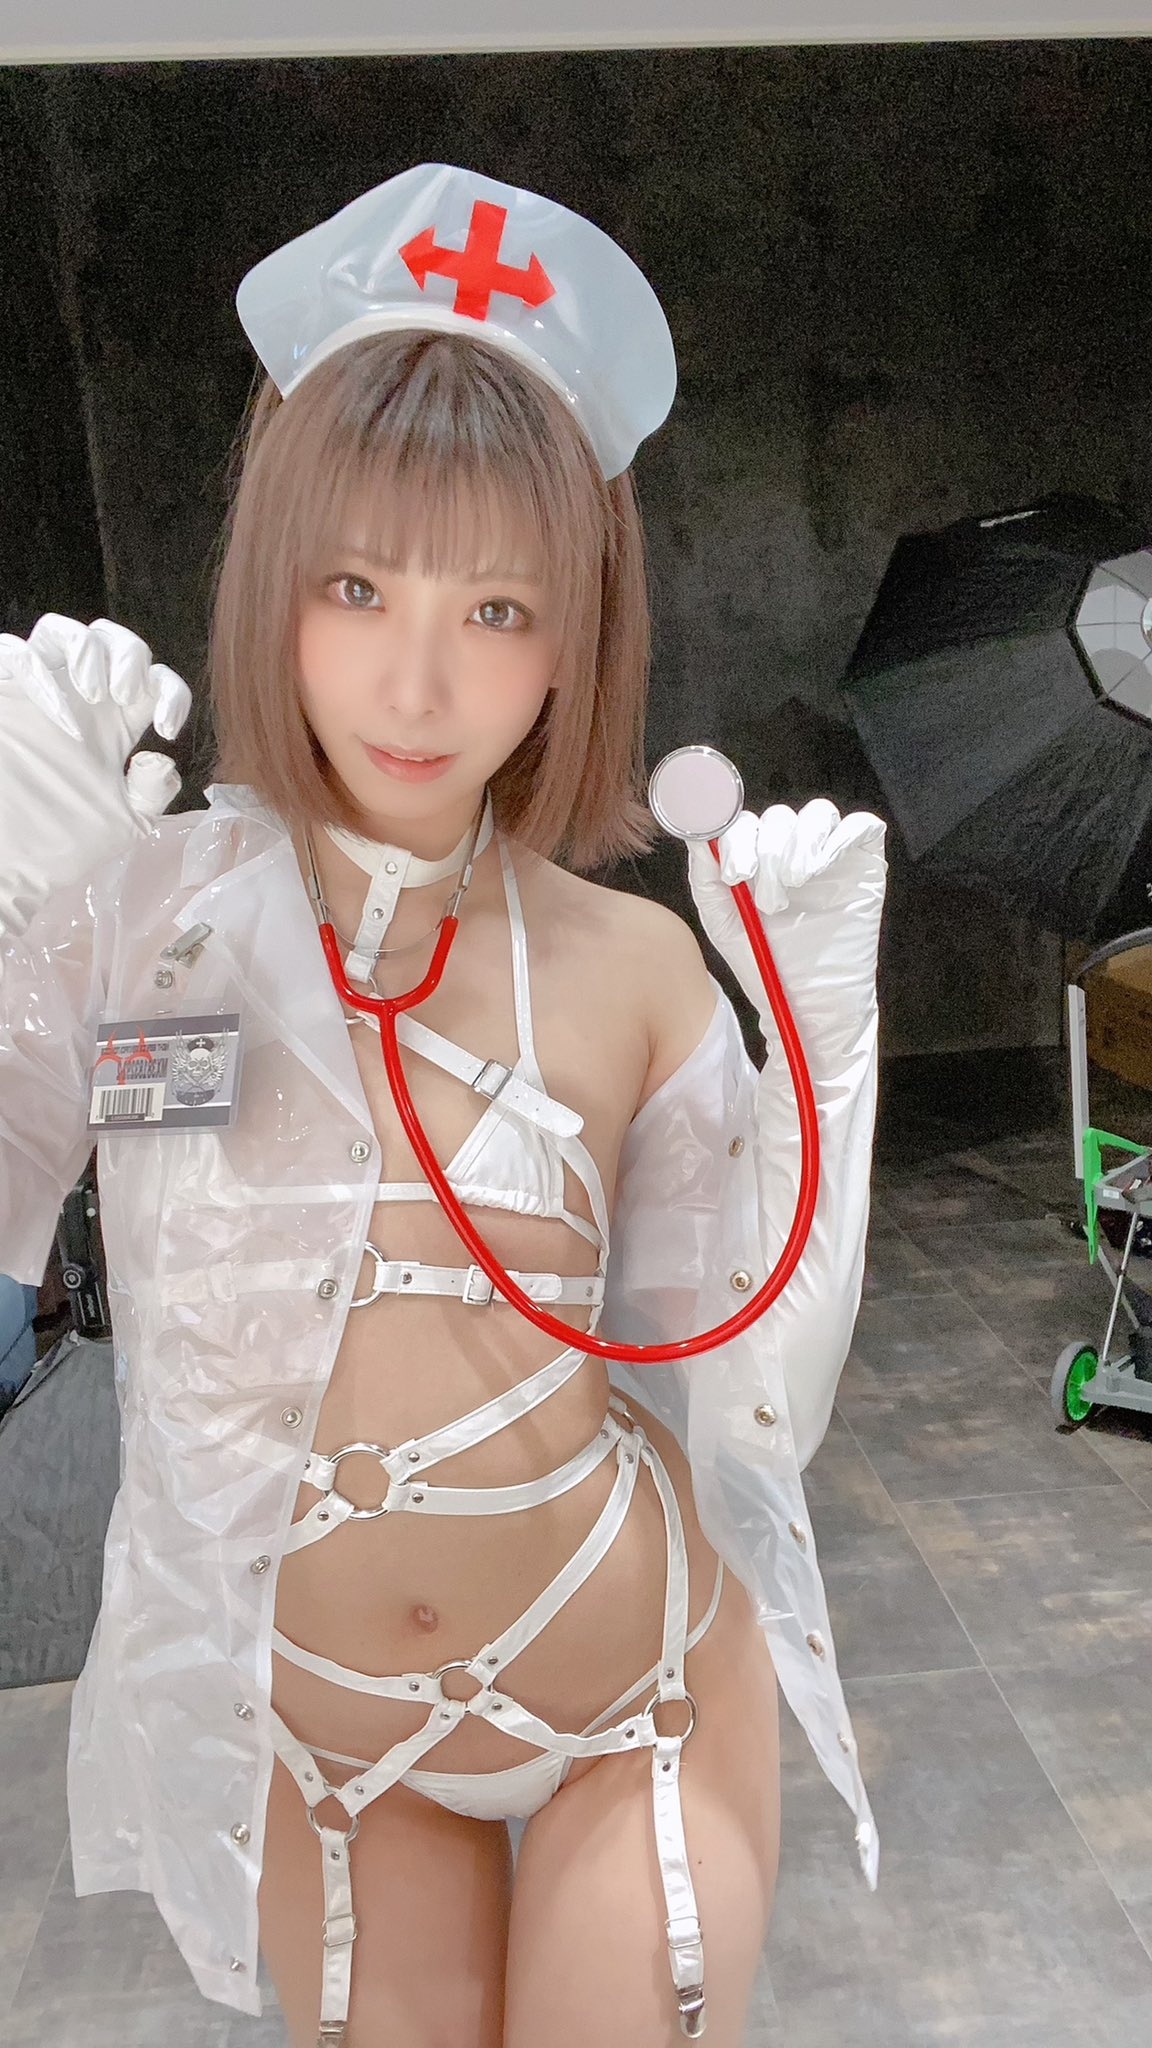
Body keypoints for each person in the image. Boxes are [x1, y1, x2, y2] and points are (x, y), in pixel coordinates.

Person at [0, 164, 886, 2048]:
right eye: (355, 587)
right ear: (271, 580)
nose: (416, 681)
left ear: (577, 634)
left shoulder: (634, 969)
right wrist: (10, 931)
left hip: (630, 1685)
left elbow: (752, 1407)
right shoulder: (145, 925)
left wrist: (827, 1056)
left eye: (496, 606)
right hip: (317, 1739)